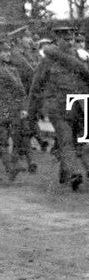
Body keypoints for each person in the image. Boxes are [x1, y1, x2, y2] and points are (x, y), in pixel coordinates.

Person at [26, 26, 89, 191]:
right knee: (66, 139)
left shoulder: (81, 59)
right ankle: (74, 173)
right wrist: (31, 111)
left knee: (76, 140)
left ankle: (65, 172)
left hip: (78, 107)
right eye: (66, 40)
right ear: (58, 41)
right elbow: (36, 86)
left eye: (71, 39)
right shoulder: (48, 61)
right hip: (57, 108)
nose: (69, 43)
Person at [0, 39, 28, 182]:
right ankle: (11, 167)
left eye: (8, 51)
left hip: (10, 110)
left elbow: (22, 91)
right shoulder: (10, 70)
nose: (8, 54)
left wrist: (23, 108)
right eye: (4, 51)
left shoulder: (12, 70)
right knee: (3, 141)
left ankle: (12, 166)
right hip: (5, 110)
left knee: (11, 140)